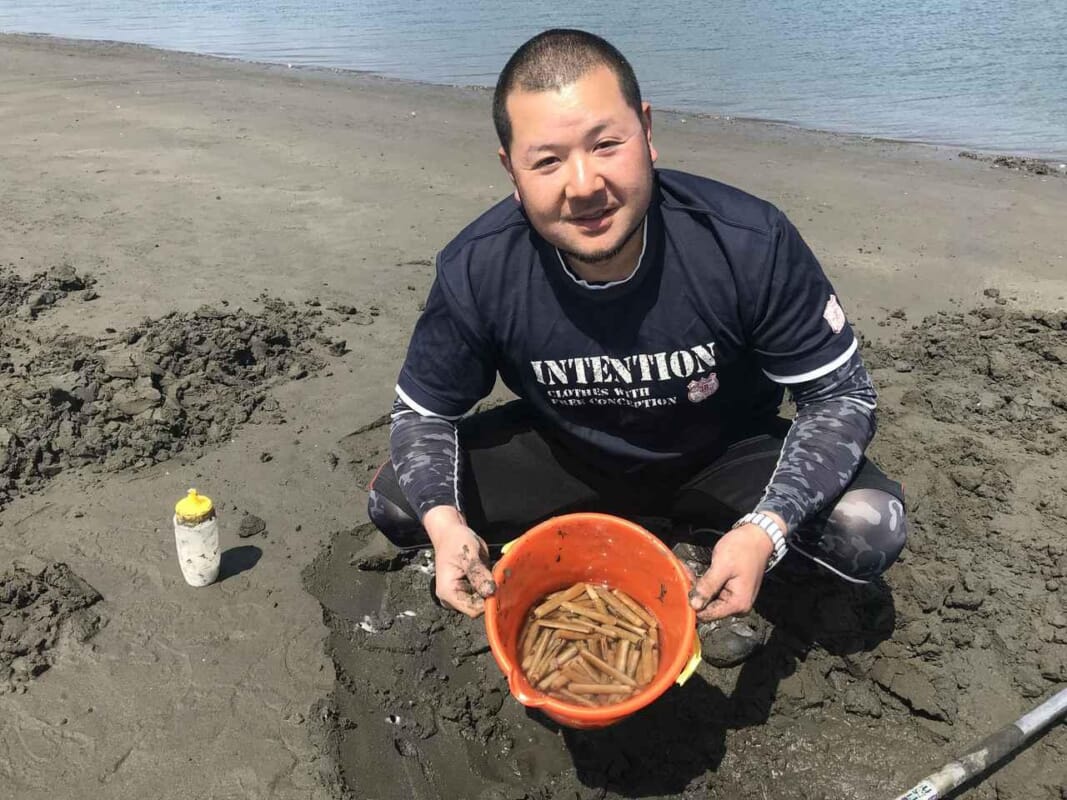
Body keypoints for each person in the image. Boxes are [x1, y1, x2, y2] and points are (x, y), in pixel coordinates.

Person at [366, 28, 906, 663]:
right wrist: (447, 526)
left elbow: (840, 397)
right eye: (546, 161)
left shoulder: (747, 241)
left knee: (868, 525)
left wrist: (766, 530)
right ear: (510, 169)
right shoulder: (478, 268)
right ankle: (577, 539)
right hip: (565, 451)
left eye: (606, 145)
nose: (585, 184)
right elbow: (424, 415)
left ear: (647, 131)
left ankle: (711, 541)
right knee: (402, 502)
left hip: (719, 452)